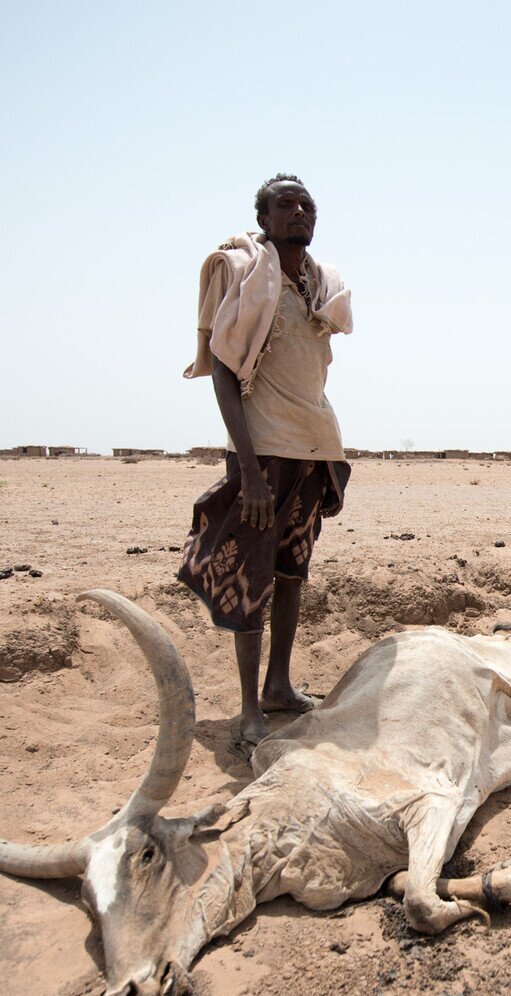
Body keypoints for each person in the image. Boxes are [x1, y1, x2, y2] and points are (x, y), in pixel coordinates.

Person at [177, 173, 353, 754]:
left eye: (307, 205)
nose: (300, 212)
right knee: (250, 576)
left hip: (311, 444)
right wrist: (248, 469)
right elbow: (225, 371)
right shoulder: (245, 271)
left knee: (290, 571)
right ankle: (249, 710)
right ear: (265, 217)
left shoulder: (320, 283)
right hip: (263, 450)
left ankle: (279, 687)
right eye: (286, 204)